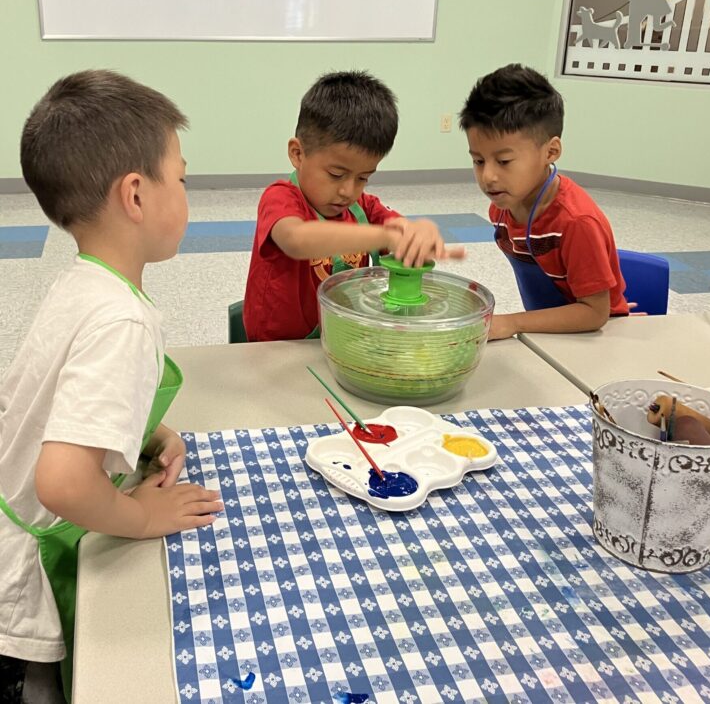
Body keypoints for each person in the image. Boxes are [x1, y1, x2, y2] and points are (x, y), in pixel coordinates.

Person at [0, 70, 222, 702]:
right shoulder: (120, 320)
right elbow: (64, 483)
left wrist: (137, 428)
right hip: (24, 582)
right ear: (135, 195)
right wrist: (141, 516)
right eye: (180, 178)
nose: (185, 192)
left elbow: (46, 397)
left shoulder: (82, 282)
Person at [243, 70, 464, 342]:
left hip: (339, 337)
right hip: (277, 347)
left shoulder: (363, 209)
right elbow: (296, 240)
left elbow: (400, 229)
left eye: (363, 178)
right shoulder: (280, 198)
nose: (349, 191)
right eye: (336, 174)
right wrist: (384, 236)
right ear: (298, 154)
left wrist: (418, 233)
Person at [459, 63, 628, 339]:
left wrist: (512, 322)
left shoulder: (575, 223)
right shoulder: (503, 206)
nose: (488, 176)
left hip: (597, 336)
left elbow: (596, 313)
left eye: (504, 161)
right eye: (478, 160)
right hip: (552, 331)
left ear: (551, 151)